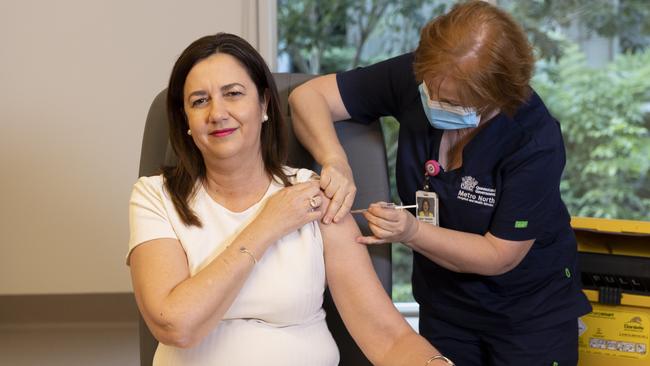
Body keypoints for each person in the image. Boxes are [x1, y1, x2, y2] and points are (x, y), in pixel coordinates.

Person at [288, 1, 591, 365]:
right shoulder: (421, 76)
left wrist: (411, 232)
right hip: (444, 306)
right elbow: (307, 97)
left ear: (495, 97)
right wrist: (335, 160)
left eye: (451, 101)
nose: (433, 101)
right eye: (429, 88)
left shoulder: (533, 139)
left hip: (528, 314)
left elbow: (500, 256)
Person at [127, 33, 452, 366]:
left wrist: (436, 363)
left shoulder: (313, 195)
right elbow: (177, 325)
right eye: (199, 101)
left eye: (234, 94)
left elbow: (387, 337)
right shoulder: (156, 197)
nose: (217, 113)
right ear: (185, 121)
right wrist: (269, 223)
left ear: (264, 104)